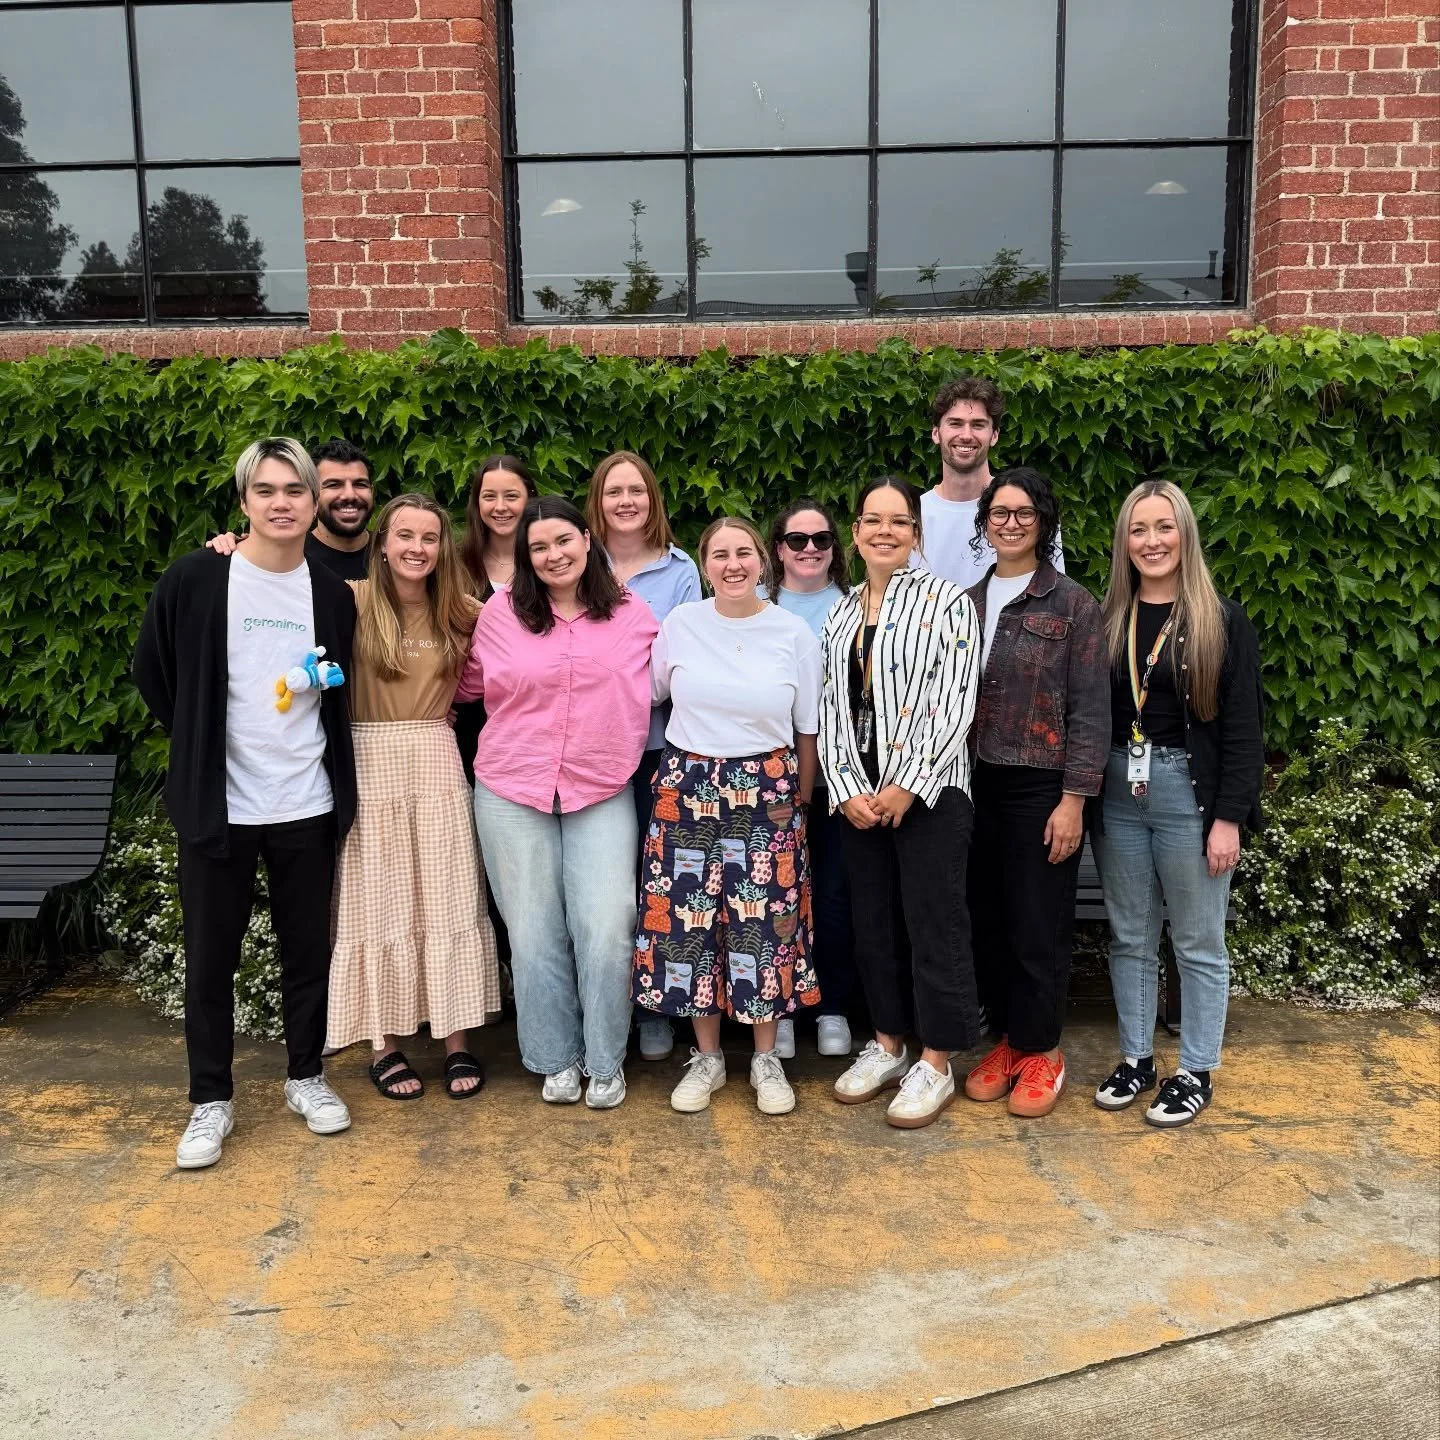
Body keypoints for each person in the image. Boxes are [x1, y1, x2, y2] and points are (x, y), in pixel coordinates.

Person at [133, 437, 357, 1169]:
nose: (282, 503)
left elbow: (335, 682)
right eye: (266, 491)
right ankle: (210, 1100)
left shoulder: (328, 591)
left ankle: (306, 1077)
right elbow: (154, 672)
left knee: (306, 952)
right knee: (210, 958)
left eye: (295, 490)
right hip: (220, 804)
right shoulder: (199, 578)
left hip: (305, 800)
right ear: (244, 502)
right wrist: (197, 741)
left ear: (313, 501)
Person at [457, 497, 658, 1110]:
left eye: (563, 540)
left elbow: (675, 680)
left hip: (600, 787)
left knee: (605, 925)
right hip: (511, 787)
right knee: (533, 931)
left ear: (587, 541)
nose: (553, 554)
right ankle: (555, 1057)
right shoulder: (498, 614)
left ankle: (605, 1059)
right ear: (525, 556)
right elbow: (463, 683)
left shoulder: (631, 613)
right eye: (538, 546)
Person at [632, 516, 822, 1117]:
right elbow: (654, 695)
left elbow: (808, 730)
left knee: (763, 924)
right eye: (720, 554)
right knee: (688, 927)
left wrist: (802, 806)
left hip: (767, 788)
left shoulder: (793, 632)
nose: (733, 564)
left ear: (764, 561)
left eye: (744, 552)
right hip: (687, 785)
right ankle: (708, 1057)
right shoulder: (681, 625)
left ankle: (766, 1058)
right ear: (705, 565)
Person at [1093, 479, 1264, 1128]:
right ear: (1125, 542)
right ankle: (1137, 1059)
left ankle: (1194, 1070)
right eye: (1139, 530)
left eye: (1164, 527)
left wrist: (1228, 818)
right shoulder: (1112, 619)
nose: (1152, 541)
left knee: (1197, 941)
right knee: (1130, 935)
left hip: (1190, 798)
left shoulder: (1223, 620)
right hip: (1119, 794)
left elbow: (1245, 730)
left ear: (1184, 534)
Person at [323, 494, 501, 1100]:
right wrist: (230, 545)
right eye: (405, 535)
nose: (417, 548)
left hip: (434, 756)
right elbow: (270, 589)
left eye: (429, 537)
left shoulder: (467, 611)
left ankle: (456, 1042)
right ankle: (384, 1044)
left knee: (449, 895)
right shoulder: (349, 601)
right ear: (382, 542)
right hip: (368, 758)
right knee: (379, 901)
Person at [818, 477, 983, 1129]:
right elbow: (830, 709)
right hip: (860, 798)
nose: (884, 531)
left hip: (932, 794)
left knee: (933, 924)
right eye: (871, 520)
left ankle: (936, 1062)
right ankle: (888, 1042)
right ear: (854, 533)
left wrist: (906, 783)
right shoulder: (839, 613)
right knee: (873, 924)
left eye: (898, 521)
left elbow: (954, 698)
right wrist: (847, 788)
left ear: (915, 534)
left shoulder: (945, 602)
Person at [960, 468, 1109, 1119]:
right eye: (999, 512)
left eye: (1024, 512)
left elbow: (1092, 710)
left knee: (1036, 926)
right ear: (985, 521)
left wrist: (1074, 800)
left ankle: (1043, 1050)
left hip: (1041, 788)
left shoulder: (1073, 605)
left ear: (1043, 523)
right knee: (988, 923)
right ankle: (1009, 1043)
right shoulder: (963, 600)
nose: (1010, 522)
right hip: (972, 785)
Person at [584, 450, 702, 1063]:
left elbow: (685, 655)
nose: (625, 502)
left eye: (636, 491)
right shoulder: (578, 561)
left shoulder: (681, 571)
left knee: (656, 885)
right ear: (597, 502)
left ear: (652, 499)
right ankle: (611, 1009)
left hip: (657, 748)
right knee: (607, 891)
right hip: (593, 748)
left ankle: (657, 1012)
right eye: (613, 492)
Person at [766, 498, 857, 1062]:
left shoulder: (853, 607)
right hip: (768, 779)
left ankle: (834, 1006)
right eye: (796, 540)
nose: (808, 550)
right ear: (777, 549)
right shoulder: (753, 607)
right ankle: (779, 1010)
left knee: (835, 896)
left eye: (820, 540)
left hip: (841, 781)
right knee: (776, 898)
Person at [911, 376, 1064, 591]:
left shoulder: (1031, 512)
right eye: (955, 423)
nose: (966, 435)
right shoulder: (910, 517)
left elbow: (1055, 595)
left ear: (994, 435)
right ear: (936, 433)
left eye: (978, 425)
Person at [454, 455, 538, 782]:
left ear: (530, 497)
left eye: (511, 496)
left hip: (531, 723)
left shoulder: (550, 561)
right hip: (468, 720)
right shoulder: (457, 564)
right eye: (489, 496)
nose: (500, 506)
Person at [306, 439, 377, 582]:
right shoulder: (292, 559)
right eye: (334, 485)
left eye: (360, 484)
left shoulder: (391, 554)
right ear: (312, 494)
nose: (349, 495)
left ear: (372, 492)